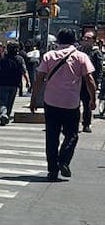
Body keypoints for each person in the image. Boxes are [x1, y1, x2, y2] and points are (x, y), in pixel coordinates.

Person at [30, 28, 96, 181]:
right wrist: (92, 98)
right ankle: (64, 160)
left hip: (51, 102)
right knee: (72, 135)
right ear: (74, 40)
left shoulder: (49, 56)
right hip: (71, 103)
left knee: (51, 137)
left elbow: (39, 79)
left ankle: (52, 171)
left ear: (58, 40)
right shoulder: (81, 57)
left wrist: (33, 99)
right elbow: (89, 79)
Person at [0, 42, 28, 125]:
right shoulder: (20, 59)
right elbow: (23, 71)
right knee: (10, 101)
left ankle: (3, 114)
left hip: (2, 82)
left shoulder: (2, 58)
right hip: (14, 83)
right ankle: (7, 115)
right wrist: (27, 81)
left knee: (3, 101)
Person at [79, 30, 102, 132]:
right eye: (84, 38)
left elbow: (99, 69)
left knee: (87, 104)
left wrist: (97, 83)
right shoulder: (79, 50)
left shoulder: (96, 53)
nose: (85, 40)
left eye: (88, 38)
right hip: (77, 82)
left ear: (93, 40)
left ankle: (86, 124)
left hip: (89, 82)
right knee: (74, 104)